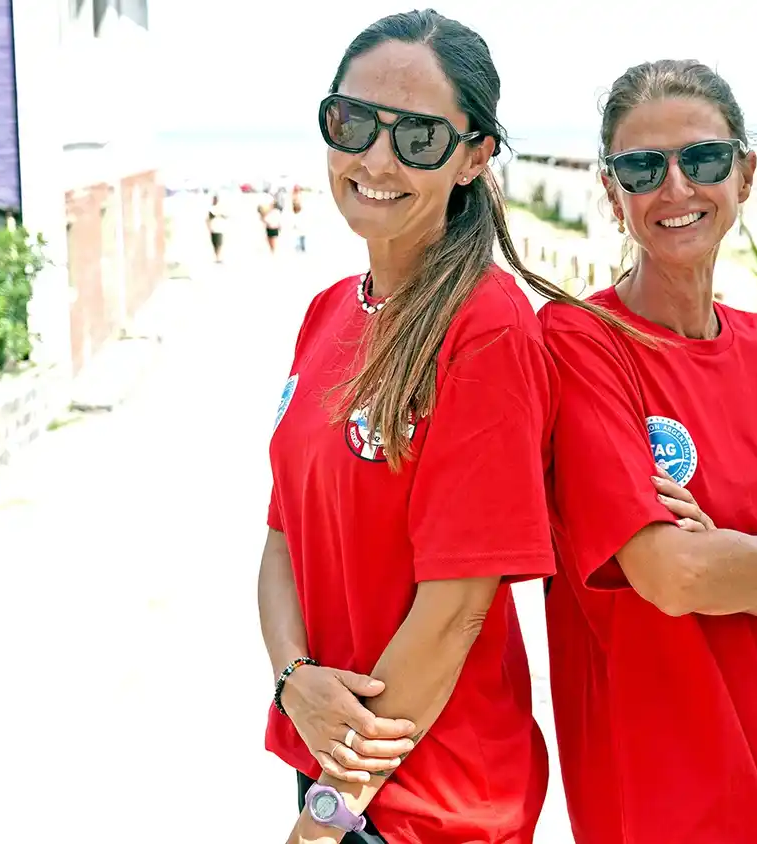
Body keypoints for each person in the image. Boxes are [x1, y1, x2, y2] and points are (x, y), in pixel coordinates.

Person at [260, 11, 632, 844]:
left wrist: (325, 818)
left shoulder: (485, 327)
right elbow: (281, 537)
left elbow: (457, 608)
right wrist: (292, 677)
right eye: (353, 122)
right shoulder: (328, 312)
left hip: (434, 800)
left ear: (473, 157)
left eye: (419, 137)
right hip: (331, 762)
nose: (376, 160)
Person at [537, 59, 757, 843]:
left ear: (745, 173)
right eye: (642, 168)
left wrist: (728, 560)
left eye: (702, 159)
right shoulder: (579, 343)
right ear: (612, 192)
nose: (675, 188)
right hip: (664, 789)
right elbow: (673, 576)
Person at [206, 192, 227, 263]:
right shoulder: (211, 209)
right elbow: (208, 219)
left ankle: (218, 257)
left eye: (216, 199)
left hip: (219, 228)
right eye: (214, 199)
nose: (215, 200)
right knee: (215, 244)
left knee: (219, 243)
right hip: (214, 228)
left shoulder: (220, 208)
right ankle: (217, 257)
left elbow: (225, 216)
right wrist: (209, 228)